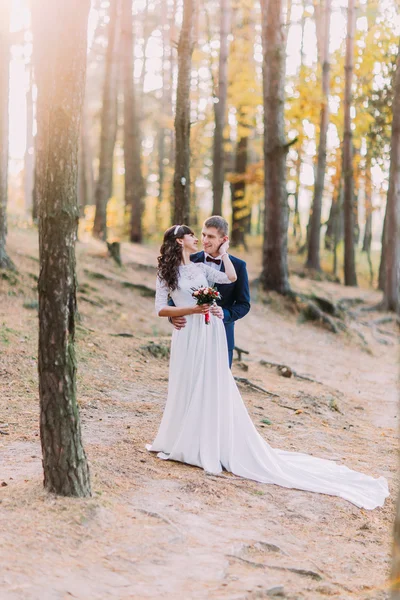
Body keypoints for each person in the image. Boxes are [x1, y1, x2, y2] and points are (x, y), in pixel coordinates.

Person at [147, 224, 389, 510]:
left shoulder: (206, 266)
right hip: (188, 332)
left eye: (207, 235)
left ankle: (209, 440)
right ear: (180, 241)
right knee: (187, 382)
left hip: (212, 332)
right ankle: (182, 437)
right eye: (193, 235)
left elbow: (231, 281)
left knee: (212, 385)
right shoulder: (172, 270)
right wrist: (188, 311)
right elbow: (163, 306)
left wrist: (224, 257)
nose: (199, 239)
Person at [170, 216, 250, 367]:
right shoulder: (189, 260)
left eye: (211, 236)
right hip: (191, 334)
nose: (205, 240)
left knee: (220, 386)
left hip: (223, 336)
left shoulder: (238, 266)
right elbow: (173, 295)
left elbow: (244, 304)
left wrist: (224, 314)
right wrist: (173, 316)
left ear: (224, 239)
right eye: (203, 234)